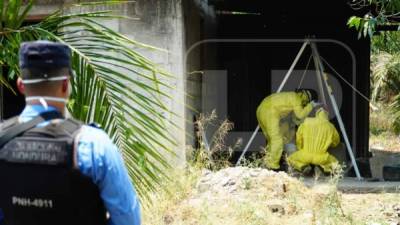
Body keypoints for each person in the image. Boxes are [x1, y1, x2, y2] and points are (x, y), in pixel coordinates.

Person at [0, 41, 141, 225]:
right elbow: (128, 219)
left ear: (21, 85)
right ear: (65, 85)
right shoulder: (93, 144)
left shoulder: (3, 140)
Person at [256, 89, 319, 170]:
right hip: (270, 112)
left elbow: (295, 118)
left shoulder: (290, 96)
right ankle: (272, 166)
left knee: (271, 140)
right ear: (308, 99)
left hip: (260, 110)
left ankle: (267, 162)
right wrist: (311, 106)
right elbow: (300, 115)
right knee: (277, 140)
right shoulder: (297, 99)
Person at [287, 108, 340, 174]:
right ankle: (325, 168)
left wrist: (300, 148)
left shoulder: (307, 121)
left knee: (290, 159)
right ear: (327, 116)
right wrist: (328, 144)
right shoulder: (330, 126)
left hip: (305, 155)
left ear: (317, 114)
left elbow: (299, 137)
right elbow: (336, 142)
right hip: (321, 157)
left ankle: (303, 166)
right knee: (336, 164)